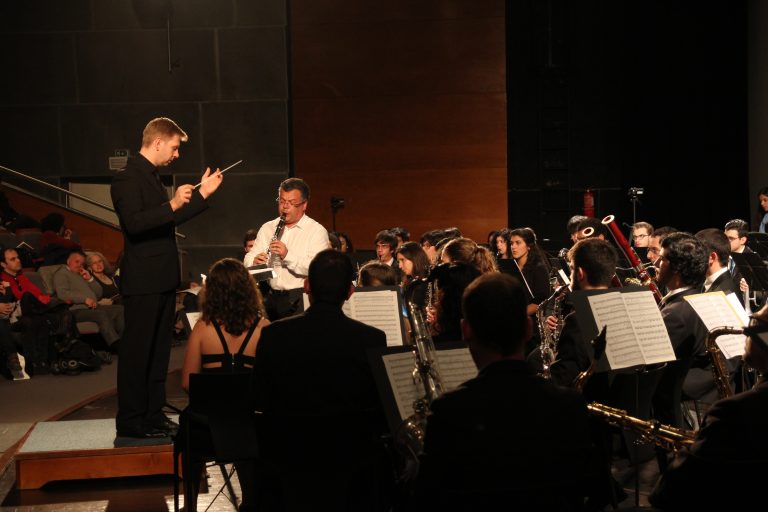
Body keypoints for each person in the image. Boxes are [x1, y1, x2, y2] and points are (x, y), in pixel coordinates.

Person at [413, 273, 593, 510]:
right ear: (529, 329)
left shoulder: (449, 411)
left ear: (465, 330)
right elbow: (585, 488)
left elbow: (429, 496)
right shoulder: (569, 405)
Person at [110, 116, 223, 441]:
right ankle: (132, 420)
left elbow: (165, 220)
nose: (176, 154)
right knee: (137, 353)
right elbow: (134, 223)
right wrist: (172, 202)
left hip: (159, 277)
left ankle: (153, 414)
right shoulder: (126, 177)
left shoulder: (152, 177)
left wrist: (203, 194)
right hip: (143, 278)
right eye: (174, 147)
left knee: (158, 352)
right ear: (158, 142)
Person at [252, 249, 391, 511]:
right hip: (351, 464)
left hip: (290, 461)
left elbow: (260, 397)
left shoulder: (274, 335)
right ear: (350, 292)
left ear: (306, 286)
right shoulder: (372, 339)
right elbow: (377, 407)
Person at [648, 303, 768, 509]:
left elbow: (667, 493)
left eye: (755, 321)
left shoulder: (732, 413)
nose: (746, 330)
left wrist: (692, 449)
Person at [180, 258, 269, 512]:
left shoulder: (202, 329)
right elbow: (268, 384)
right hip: (249, 429)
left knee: (188, 424)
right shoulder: (264, 329)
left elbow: (188, 382)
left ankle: (190, 504)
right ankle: (252, 500)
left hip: (208, 431)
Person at [244, 178, 328, 320]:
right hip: (271, 297)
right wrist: (255, 261)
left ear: (304, 205)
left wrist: (287, 255)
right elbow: (248, 258)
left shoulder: (316, 231)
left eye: (291, 203)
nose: (285, 207)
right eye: (282, 201)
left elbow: (317, 269)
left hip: (300, 297)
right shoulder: (267, 228)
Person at [653, 232, 709, 428]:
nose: (656, 263)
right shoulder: (696, 298)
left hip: (666, 415)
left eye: (662, 258)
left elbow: (651, 367)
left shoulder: (676, 314)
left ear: (677, 267)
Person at [53, 250, 124, 354]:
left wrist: (90, 279)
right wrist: (84, 299)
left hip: (93, 308)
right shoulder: (62, 274)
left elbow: (99, 293)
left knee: (120, 309)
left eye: (82, 263)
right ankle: (115, 345)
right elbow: (63, 294)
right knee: (100, 314)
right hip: (76, 310)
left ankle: (124, 341)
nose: (79, 265)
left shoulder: (81, 274)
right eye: (76, 262)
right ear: (68, 261)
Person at [396, 241, 431, 310]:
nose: (400, 266)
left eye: (402, 260)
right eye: (398, 262)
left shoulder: (427, 281)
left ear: (415, 258)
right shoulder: (408, 280)